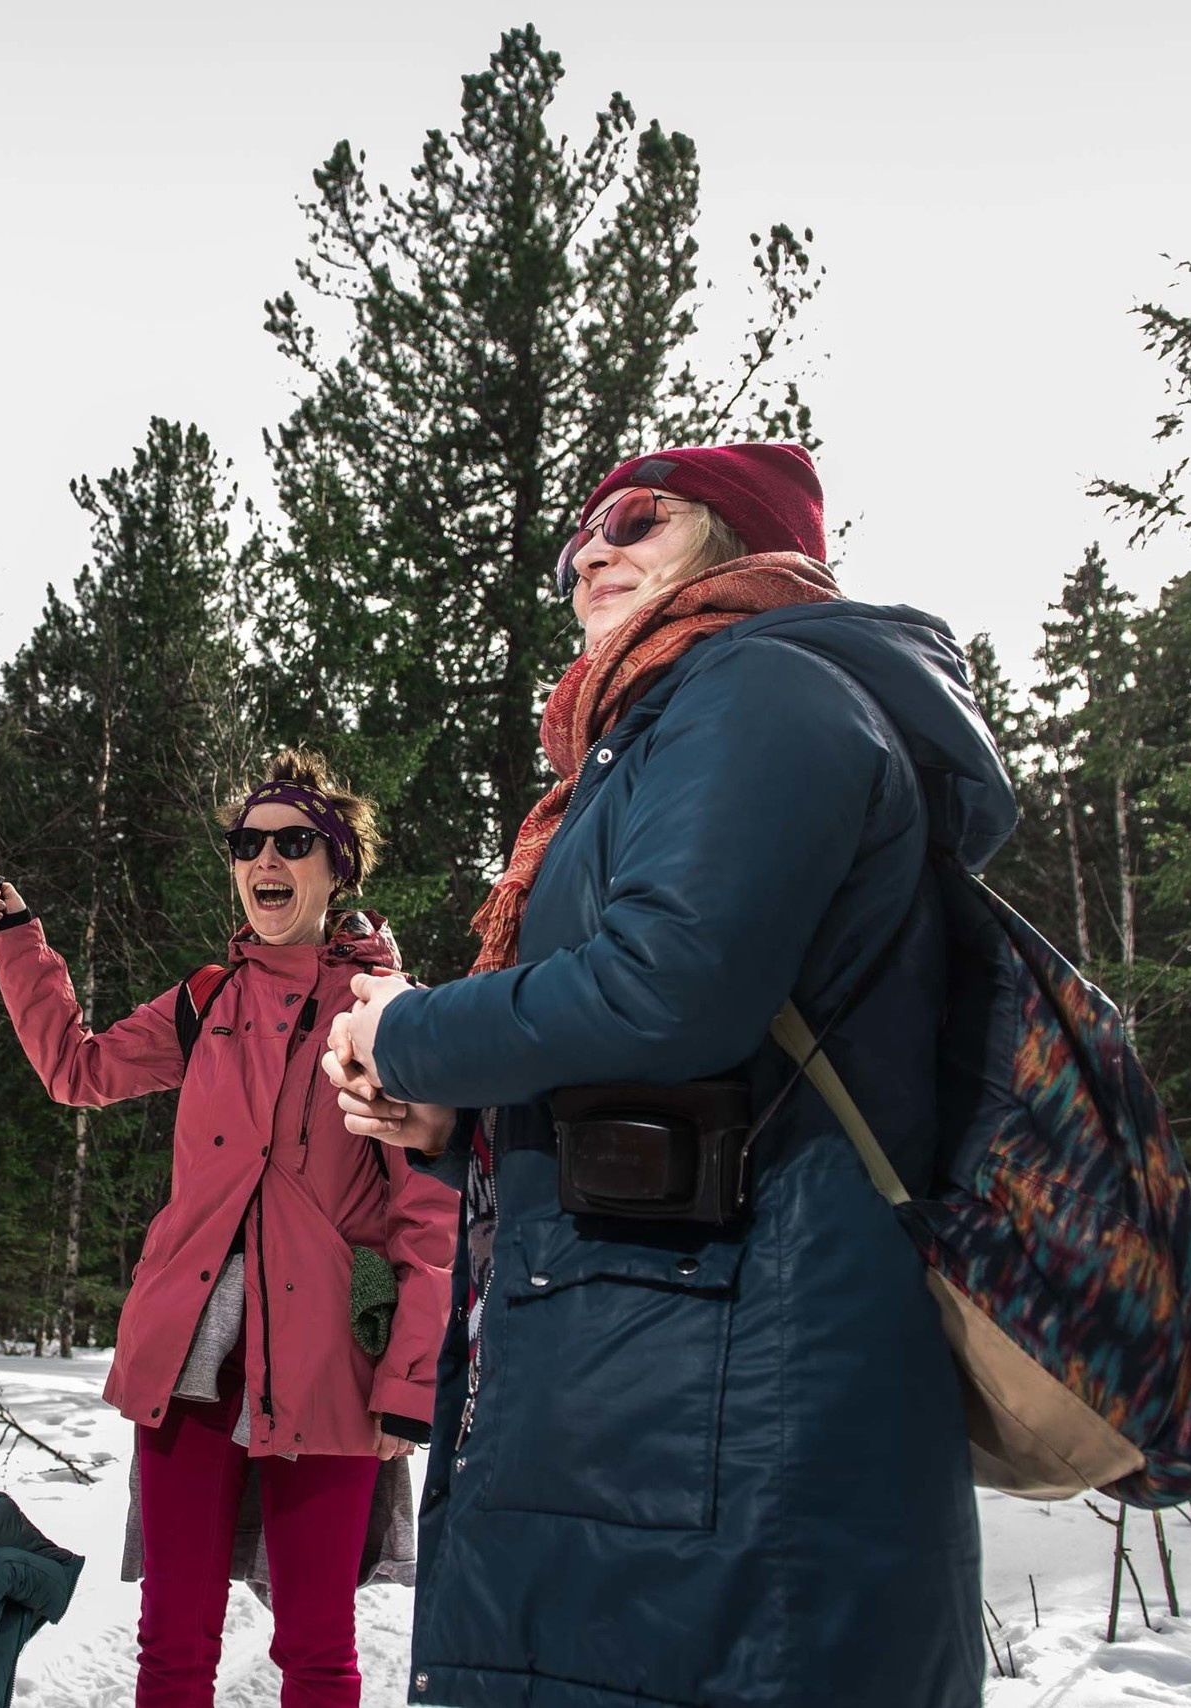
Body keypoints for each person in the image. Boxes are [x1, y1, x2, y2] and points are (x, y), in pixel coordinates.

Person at [324, 443, 1006, 1708]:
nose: (592, 548)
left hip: (731, 1387)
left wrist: (411, 1031)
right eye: (579, 531)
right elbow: (690, 1037)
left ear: (745, 543)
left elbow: (669, 987)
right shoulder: (667, 730)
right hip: (650, 1375)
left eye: (640, 519)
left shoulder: (764, 688)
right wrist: (451, 1113)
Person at [0, 750, 457, 1708]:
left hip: (328, 1369)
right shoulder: (204, 1002)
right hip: (188, 1360)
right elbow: (80, 1071)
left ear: (338, 863)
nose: (265, 858)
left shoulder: (386, 1012)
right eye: (247, 843)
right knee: (172, 1644)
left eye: (293, 841)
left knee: (317, 1647)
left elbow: (428, 1212)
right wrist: (23, 949)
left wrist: (410, 1381)